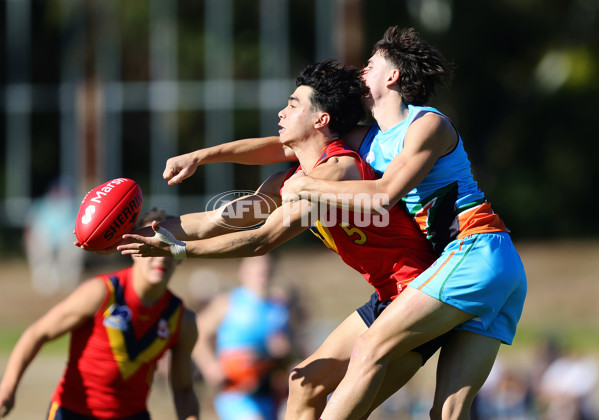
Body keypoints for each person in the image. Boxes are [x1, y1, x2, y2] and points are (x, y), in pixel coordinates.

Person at [160, 27, 527, 420]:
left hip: (475, 251)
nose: (361, 70)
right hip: (478, 272)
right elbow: (285, 144)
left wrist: (307, 188)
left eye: (370, 64)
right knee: (447, 414)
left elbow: (384, 193)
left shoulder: (427, 125)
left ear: (392, 76)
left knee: (369, 349)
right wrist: (201, 157)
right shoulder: (365, 140)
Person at [113, 60, 445, 418]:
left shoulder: (337, 171)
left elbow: (261, 241)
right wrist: (133, 235)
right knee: (302, 383)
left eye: (293, 104)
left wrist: (177, 249)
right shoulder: (291, 180)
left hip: (421, 295)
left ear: (321, 120)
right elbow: (216, 221)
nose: (282, 112)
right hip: (388, 296)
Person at [0, 208, 199, 420]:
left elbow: (183, 388)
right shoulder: (102, 292)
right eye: (152, 247)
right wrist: (8, 388)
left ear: (180, 257)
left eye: (168, 248)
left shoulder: (181, 320)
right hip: (73, 413)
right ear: (132, 250)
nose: (161, 258)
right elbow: (38, 333)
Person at [194, 254, 293, 420]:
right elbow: (196, 332)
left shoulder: (279, 307)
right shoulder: (228, 302)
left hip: (269, 391)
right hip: (235, 392)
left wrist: (285, 349)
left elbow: (291, 350)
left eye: (266, 267)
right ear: (242, 270)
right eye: (255, 266)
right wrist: (209, 366)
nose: (262, 270)